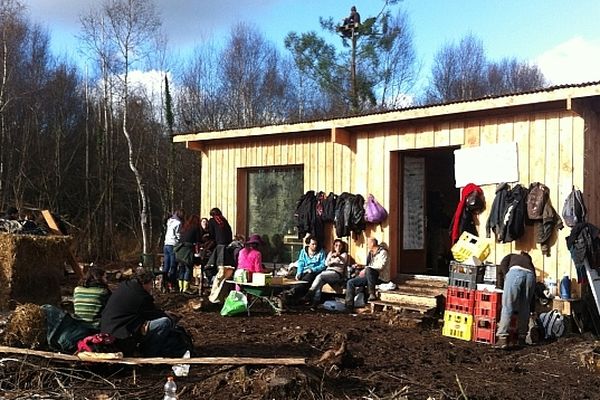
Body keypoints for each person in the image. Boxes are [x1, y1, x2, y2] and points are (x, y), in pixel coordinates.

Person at [100, 268, 192, 357]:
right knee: (164, 323)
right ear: (144, 283)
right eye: (151, 284)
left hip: (107, 328)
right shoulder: (141, 296)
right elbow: (152, 314)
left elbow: (145, 310)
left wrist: (163, 312)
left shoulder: (125, 286)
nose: (151, 287)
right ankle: (150, 354)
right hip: (121, 335)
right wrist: (169, 317)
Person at [495, 251, 536, 349]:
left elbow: (502, 265)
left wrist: (505, 279)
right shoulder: (530, 264)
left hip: (515, 273)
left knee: (508, 306)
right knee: (525, 307)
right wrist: (532, 308)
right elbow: (532, 294)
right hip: (530, 277)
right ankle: (522, 338)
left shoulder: (511, 256)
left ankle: (502, 338)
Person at [345, 237, 390, 310]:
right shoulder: (370, 253)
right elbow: (368, 265)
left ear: (372, 243)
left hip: (381, 278)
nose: (367, 245)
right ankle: (348, 305)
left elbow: (380, 266)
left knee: (369, 270)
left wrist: (366, 268)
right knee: (350, 282)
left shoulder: (383, 252)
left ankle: (372, 293)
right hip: (370, 277)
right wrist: (361, 266)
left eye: (368, 243)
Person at [304, 239, 348, 308]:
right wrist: (331, 259)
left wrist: (337, 257)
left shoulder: (344, 254)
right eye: (336, 245)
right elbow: (326, 263)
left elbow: (343, 262)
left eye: (340, 246)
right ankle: (315, 303)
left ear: (342, 247)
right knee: (320, 282)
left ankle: (309, 293)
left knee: (320, 276)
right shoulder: (330, 253)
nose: (338, 247)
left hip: (336, 274)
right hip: (328, 272)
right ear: (334, 246)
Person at [283, 235, 327, 304]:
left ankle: (294, 291)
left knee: (307, 279)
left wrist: (312, 269)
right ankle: (288, 291)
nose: (315, 246)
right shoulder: (303, 251)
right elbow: (301, 262)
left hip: (313, 271)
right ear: (309, 244)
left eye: (316, 244)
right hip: (303, 270)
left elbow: (323, 265)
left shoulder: (321, 252)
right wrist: (299, 272)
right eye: (313, 244)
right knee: (292, 274)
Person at [177, 214, 203, 293]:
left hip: (180, 250)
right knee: (188, 268)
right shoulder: (195, 228)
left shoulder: (184, 228)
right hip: (188, 250)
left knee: (181, 268)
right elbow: (198, 240)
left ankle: (180, 287)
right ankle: (186, 288)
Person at [163, 209, 184, 292]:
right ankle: (171, 284)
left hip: (166, 244)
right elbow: (178, 234)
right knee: (173, 265)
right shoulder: (178, 223)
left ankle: (164, 283)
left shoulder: (169, 221)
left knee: (166, 266)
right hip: (173, 244)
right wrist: (180, 239)